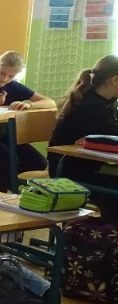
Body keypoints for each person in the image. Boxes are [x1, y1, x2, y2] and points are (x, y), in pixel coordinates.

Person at [0, 51, 55, 190]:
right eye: (2, 73)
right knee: (9, 158)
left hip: (5, 135)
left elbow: (50, 102)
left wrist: (29, 104)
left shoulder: (13, 86)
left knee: (39, 162)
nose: (4, 79)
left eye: (11, 76)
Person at [49, 54, 118, 220]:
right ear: (115, 80)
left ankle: (105, 230)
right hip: (67, 169)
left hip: (91, 165)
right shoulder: (90, 106)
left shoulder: (106, 102)